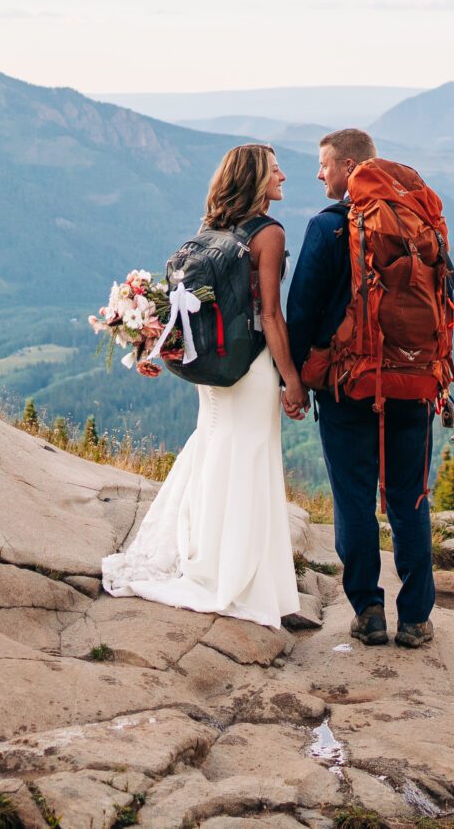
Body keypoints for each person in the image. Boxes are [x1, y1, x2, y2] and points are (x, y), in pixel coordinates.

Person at [100, 143, 310, 629]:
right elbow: (272, 315)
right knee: (252, 459)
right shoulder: (269, 233)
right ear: (258, 178)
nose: (283, 177)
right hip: (253, 366)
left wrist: (148, 348)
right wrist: (293, 381)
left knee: (216, 450)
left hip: (216, 368)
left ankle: (206, 560)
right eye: (276, 170)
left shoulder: (210, 228)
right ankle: (243, 579)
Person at [285, 127, 436, 649]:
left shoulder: (327, 228)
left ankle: (369, 611)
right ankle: (416, 618)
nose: (319, 174)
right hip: (414, 381)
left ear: (349, 167)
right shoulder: (418, 217)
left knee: (353, 498)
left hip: (351, 386)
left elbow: (300, 311)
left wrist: (297, 380)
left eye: (324, 165)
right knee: (409, 498)